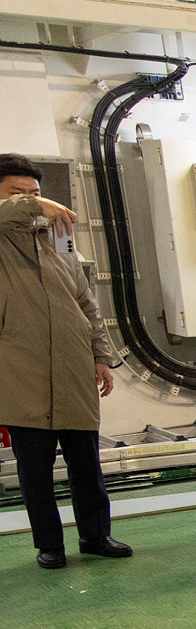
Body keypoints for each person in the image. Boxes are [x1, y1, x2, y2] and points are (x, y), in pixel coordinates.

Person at [0, 153, 130, 570]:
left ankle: (96, 535)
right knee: (34, 470)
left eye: (36, 192)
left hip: (73, 364)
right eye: (18, 193)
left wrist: (100, 355)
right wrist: (35, 204)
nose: (31, 200)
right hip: (22, 370)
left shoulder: (58, 239)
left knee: (86, 463)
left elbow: (85, 300)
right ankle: (49, 545)